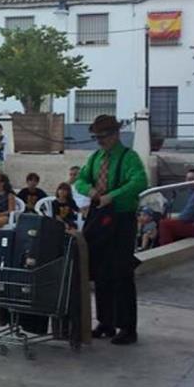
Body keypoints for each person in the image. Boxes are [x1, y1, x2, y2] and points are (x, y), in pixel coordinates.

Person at [74, 114, 147, 346]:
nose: (99, 141)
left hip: (121, 219)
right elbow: (80, 180)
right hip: (98, 216)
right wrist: (93, 193)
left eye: (103, 136)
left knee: (122, 272)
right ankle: (105, 322)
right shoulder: (95, 158)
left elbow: (139, 182)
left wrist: (111, 196)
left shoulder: (129, 158)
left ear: (115, 134)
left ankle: (127, 327)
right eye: (96, 137)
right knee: (99, 270)